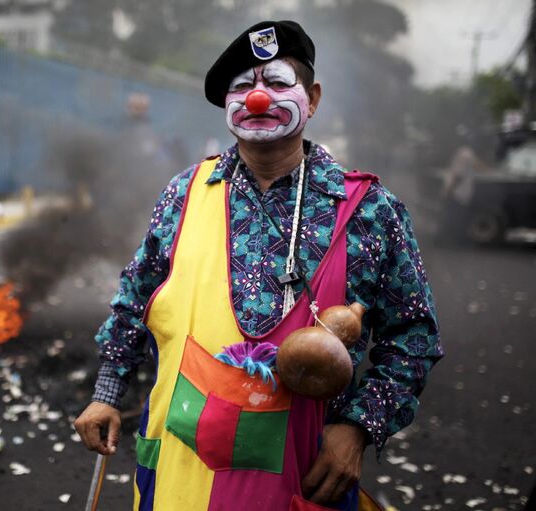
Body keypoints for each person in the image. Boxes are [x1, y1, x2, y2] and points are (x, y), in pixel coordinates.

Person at [74, 20, 443, 510]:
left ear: (311, 99)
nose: (257, 98)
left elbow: (413, 336)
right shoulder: (184, 193)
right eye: (243, 87)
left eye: (275, 83)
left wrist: (356, 428)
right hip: (180, 471)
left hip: (302, 475)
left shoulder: (370, 210)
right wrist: (107, 390)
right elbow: (136, 297)